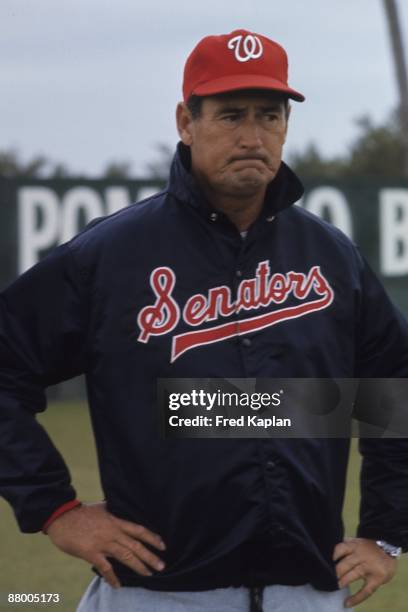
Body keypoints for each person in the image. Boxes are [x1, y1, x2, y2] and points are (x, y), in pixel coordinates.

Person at [1, 28, 408, 612]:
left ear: (286, 128)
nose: (252, 136)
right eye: (230, 115)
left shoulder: (330, 256)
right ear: (185, 122)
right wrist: (54, 510)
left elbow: (392, 389)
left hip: (307, 591)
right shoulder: (111, 256)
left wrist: (384, 531)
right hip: (155, 592)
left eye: (269, 116)